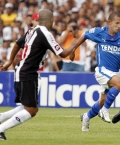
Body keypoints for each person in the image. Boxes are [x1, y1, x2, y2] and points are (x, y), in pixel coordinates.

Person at [0, 9, 75, 140]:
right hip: (27, 73)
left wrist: (9, 61)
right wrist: (75, 44)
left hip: (24, 71)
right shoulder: (44, 33)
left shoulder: (32, 31)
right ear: (51, 21)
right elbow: (62, 54)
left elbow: (17, 44)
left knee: (27, 107)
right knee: (31, 110)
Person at [69, 12, 120, 131]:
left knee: (102, 101)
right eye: (116, 23)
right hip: (102, 70)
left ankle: (86, 117)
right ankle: (105, 110)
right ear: (109, 22)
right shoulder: (99, 32)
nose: (119, 26)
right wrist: (74, 49)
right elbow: (84, 35)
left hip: (114, 72)